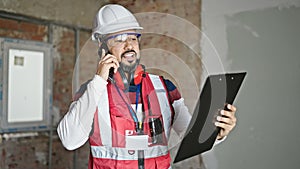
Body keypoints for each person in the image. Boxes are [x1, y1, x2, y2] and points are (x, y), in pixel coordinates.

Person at [57, 4, 237, 169]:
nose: (129, 45)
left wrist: (218, 132)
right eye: (119, 39)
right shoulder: (91, 92)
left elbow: (191, 136)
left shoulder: (164, 88)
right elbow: (70, 140)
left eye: (133, 38)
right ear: (103, 47)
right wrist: (98, 81)